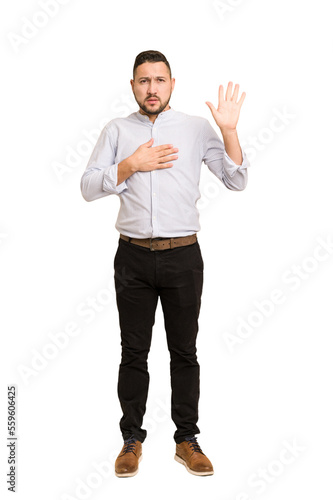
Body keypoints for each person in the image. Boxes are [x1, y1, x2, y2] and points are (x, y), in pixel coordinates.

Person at [80, 50, 250, 477]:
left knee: (184, 352)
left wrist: (229, 131)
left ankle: (186, 440)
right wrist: (130, 164)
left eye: (159, 80)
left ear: (172, 84)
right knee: (133, 351)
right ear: (132, 85)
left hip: (183, 257)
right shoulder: (117, 130)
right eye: (143, 80)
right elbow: (86, 186)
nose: (151, 88)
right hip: (132, 256)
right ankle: (131, 440)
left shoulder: (195, 128)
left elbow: (236, 179)